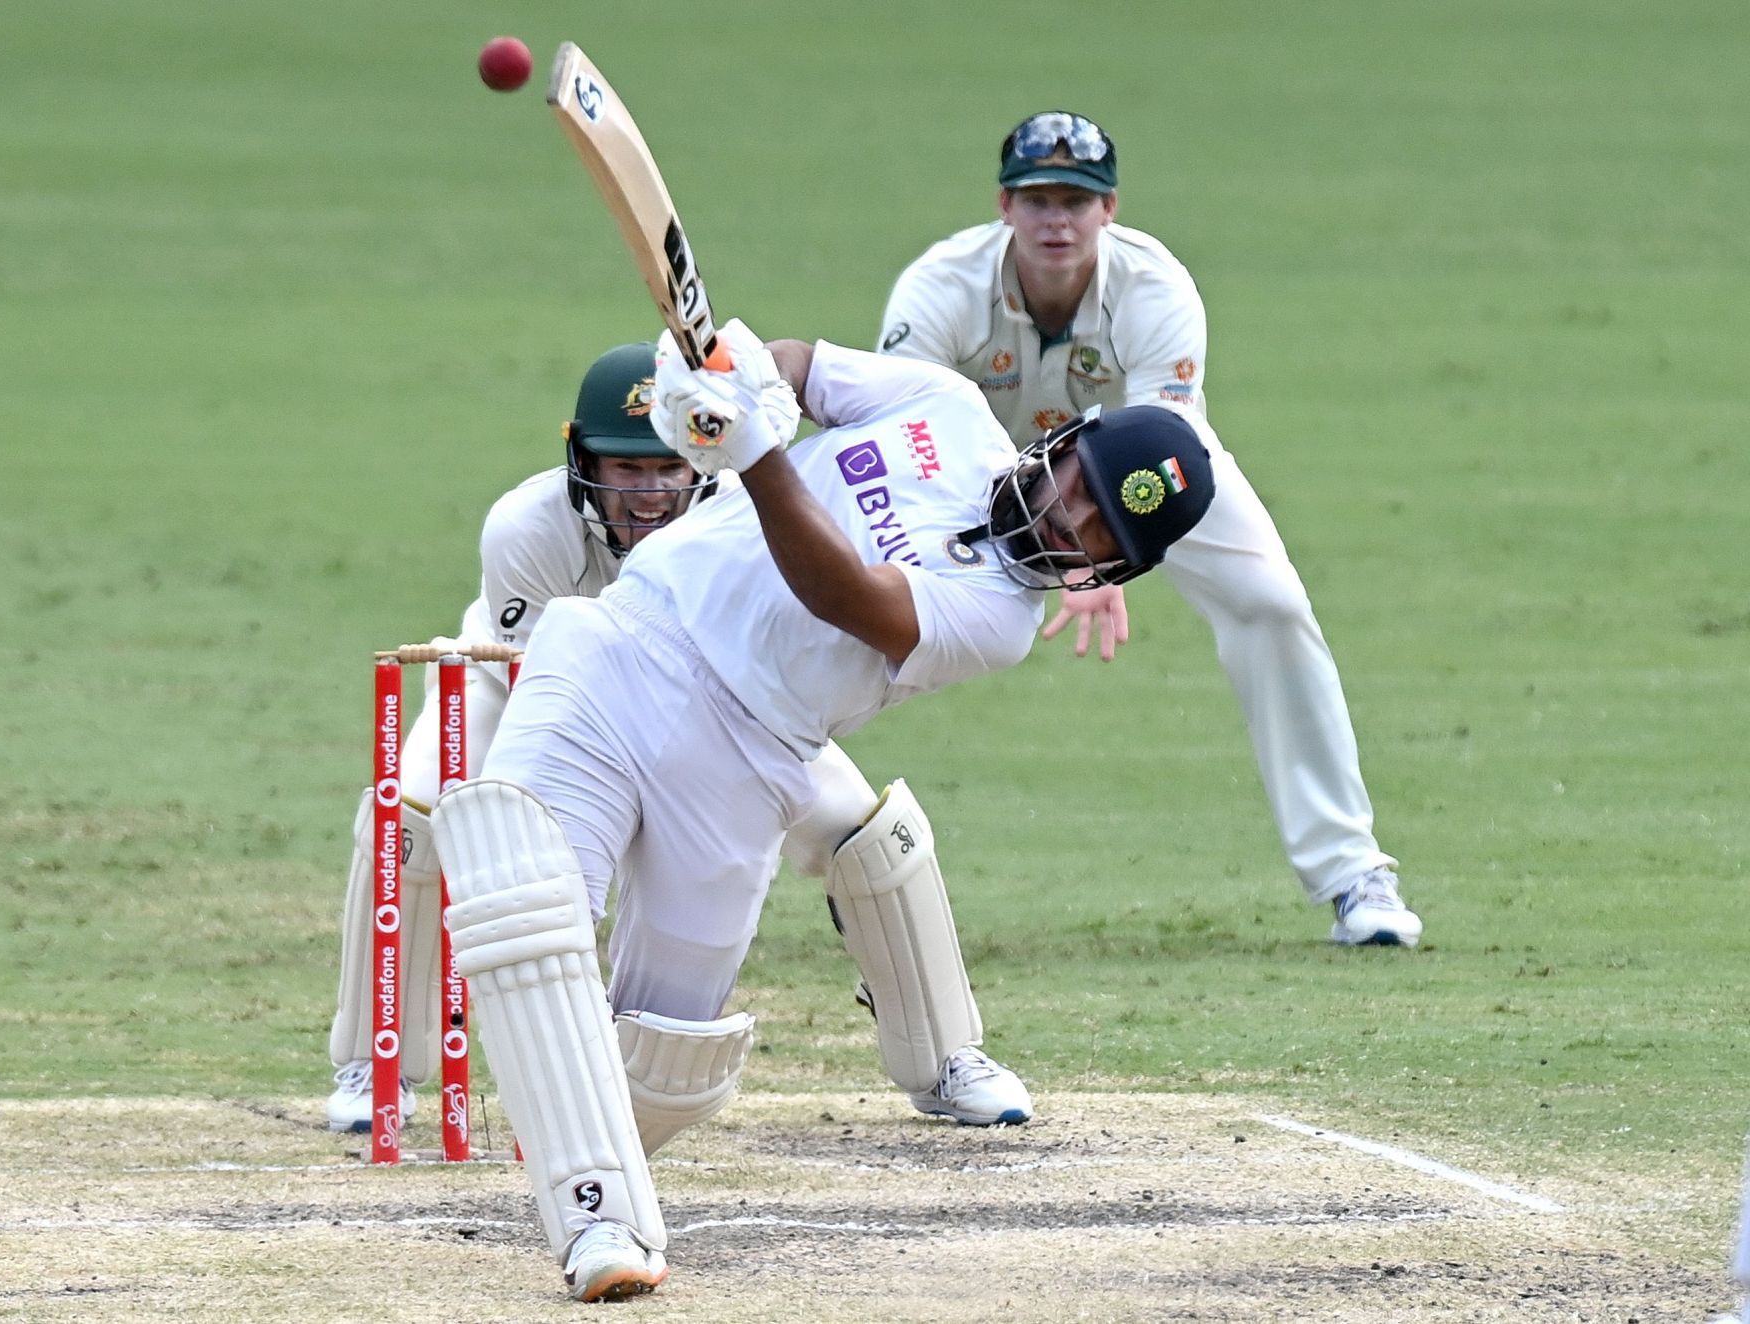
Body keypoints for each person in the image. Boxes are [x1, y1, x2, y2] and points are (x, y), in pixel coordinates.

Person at [429, 321, 1216, 1300]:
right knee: (528, 889)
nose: (1070, 519)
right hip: (627, 647)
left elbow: (845, 594)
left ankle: (573, 1141)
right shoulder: (945, 408)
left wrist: (751, 449)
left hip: (749, 760)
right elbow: (796, 367)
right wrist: (724, 376)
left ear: (1112, 570)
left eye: (1102, 532)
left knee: (667, 1053)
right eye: (1083, 485)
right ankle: (601, 1226)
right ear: (1063, 442)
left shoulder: (999, 621)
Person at [323, 343, 1032, 1134]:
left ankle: (946, 1059)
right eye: (624, 470)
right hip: (518, 683)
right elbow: (556, 721)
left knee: (874, 841)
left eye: (665, 465)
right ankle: (375, 1061)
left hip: (721, 698)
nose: (651, 491)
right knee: (411, 825)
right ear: (581, 459)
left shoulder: (741, 488)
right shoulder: (527, 526)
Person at [878, 110, 1421, 947]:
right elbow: (906, 432)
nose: (1056, 220)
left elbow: (1160, 452)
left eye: (1077, 200)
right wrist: (1044, 550)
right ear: (1004, 206)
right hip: (973, 471)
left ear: (1110, 209)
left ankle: (1355, 875)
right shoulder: (939, 288)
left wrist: (1094, 561)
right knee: (850, 606)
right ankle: (797, 836)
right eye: (1038, 200)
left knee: (1271, 603)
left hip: (1136, 472)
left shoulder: (1157, 289)